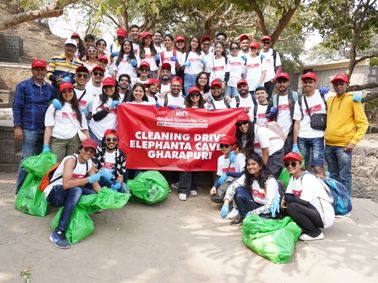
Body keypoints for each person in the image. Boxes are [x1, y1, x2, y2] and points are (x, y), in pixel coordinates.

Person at [43, 138, 108, 248]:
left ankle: (72, 214)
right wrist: (88, 179)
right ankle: (59, 232)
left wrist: (106, 196)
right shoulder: (71, 160)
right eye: (86, 149)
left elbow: (95, 185)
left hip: (70, 191)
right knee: (77, 190)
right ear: (80, 149)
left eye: (92, 152)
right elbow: (66, 184)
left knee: (93, 195)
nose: (89, 153)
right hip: (55, 194)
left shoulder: (89, 163)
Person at [13, 59, 55, 193]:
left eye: (42, 69)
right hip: (29, 129)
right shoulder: (23, 86)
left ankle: (34, 190)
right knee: (27, 159)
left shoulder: (49, 88)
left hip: (44, 129)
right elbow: (17, 107)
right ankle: (19, 190)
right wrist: (17, 127)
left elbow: (51, 106)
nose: (39, 72)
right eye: (37, 69)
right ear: (32, 71)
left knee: (39, 160)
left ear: (46, 71)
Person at [324, 73, 368, 195]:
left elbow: (363, 124)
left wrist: (353, 142)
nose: (338, 86)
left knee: (344, 176)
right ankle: (337, 202)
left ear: (347, 85)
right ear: (333, 85)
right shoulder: (329, 100)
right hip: (329, 145)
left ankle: (346, 204)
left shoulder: (353, 99)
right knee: (333, 176)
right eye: (336, 84)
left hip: (343, 147)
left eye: (341, 84)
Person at [282, 152, 335, 241]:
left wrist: (288, 198)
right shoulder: (293, 177)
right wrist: (286, 199)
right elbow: (288, 195)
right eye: (287, 164)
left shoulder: (307, 178)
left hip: (323, 216)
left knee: (292, 206)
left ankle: (315, 233)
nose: (290, 166)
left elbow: (304, 201)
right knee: (286, 206)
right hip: (311, 210)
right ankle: (306, 227)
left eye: (293, 163)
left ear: (300, 164)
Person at [220, 153, 281, 224]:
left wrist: (253, 212)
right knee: (239, 191)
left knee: (259, 223)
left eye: (253, 164)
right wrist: (226, 204)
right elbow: (232, 187)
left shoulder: (269, 180)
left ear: (260, 166)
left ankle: (252, 218)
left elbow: (269, 205)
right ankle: (243, 218)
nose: (250, 167)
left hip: (269, 210)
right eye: (248, 165)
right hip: (255, 204)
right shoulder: (248, 176)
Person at [293, 72, 331, 176]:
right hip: (302, 137)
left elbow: (340, 97)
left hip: (318, 137)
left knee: (318, 167)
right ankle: (305, 190)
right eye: (305, 82)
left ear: (315, 83)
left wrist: (354, 96)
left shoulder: (324, 95)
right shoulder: (299, 101)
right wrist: (295, 144)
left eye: (310, 82)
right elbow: (297, 123)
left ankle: (322, 190)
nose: (307, 84)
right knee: (303, 167)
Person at [43, 82, 89, 161]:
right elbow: (48, 127)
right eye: (64, 91)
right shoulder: (54, 106)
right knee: (55, 166)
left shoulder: (79, 107)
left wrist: (89, 144)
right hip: (58, 139)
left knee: (72, 164)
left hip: (75, 139)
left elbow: (84, 129)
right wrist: (45, 145)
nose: (67, 94)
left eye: (70, 91)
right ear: (60, 93)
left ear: (73, 92)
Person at [176, 87, 206, 201]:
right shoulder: (184, 108)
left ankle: (193, 186)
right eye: (192, 95)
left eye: (197, 95)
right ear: (189, 97)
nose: (195, 97)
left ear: (200, 97)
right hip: (185, 139)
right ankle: (183, 189)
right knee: (185, 162)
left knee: (196, 162)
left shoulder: (205, 108)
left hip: (199, 139)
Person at [266, 72, 300, 154]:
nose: (281, 84)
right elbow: (266, 115)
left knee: (291, 162)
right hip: (277, 135)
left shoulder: (296, 96)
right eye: (279, 82)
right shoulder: (273, 98)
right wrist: (271, 114)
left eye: (284, 82)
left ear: (288, 82)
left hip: (291, 135)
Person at [209, 135, 245, 207]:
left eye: (226, 145)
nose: (224, 148)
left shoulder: (239, 156)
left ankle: (235, 203)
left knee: (235, 187)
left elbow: (244, 174)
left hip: (238, 182)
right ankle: (229, 200)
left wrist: (228, 173)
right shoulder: (220, 158)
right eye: (221, 145)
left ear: (232, 146)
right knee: (214, 197)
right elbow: (219, 175)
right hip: (227, 182)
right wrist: (214, 186)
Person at [89, 77, 120, 145]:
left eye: (110, 87)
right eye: (105, 87)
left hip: (109, 136)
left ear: (115, 87)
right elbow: (96, 117)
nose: (108, 89)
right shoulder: (98, 98)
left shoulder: (119, 100)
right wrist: (110, 108)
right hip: (95, 133)